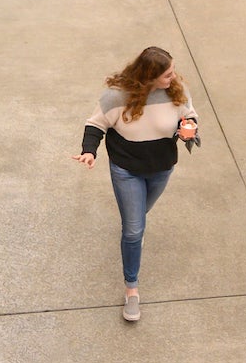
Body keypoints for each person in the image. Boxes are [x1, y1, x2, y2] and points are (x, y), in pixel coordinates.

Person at [76, 45, 200, 323]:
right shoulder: (117, 96)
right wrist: (89, 151)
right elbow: (95, 124)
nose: (174, 76)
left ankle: (133, 229)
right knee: (133, 230)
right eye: (167, 73)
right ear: (150, 75)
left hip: (161, 168)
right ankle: (132, 290)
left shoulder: (176, 89)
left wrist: (189, 128)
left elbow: (189, 115)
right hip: (127, 170)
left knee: (138, 217)